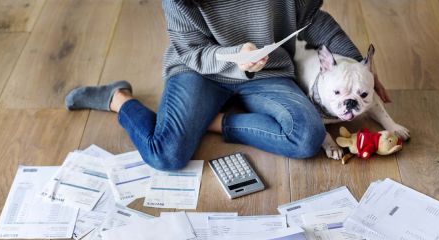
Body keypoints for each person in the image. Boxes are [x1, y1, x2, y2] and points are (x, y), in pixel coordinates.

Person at [65, 0, 390, 170]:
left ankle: (213, 121)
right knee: (165, 155)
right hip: (199, 70)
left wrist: (358, 70)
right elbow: (191, 52)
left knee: (308, 137)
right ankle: (118, 98)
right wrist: (234, 55)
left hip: (268, 70)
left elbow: (314, 20)